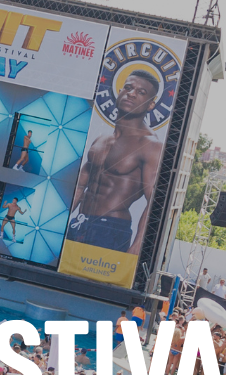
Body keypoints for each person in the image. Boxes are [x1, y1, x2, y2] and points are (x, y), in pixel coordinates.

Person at [66, 69, 165, 257]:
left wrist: (136, 247)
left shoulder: (150, 145)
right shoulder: (101, 140)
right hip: (78, 222)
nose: (132, 93)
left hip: (111, 229)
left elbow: (154, 202)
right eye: (128, 87)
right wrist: (62, 221)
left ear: (151, 104)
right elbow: (80, 186)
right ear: (119, 92)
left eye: (141, 92)